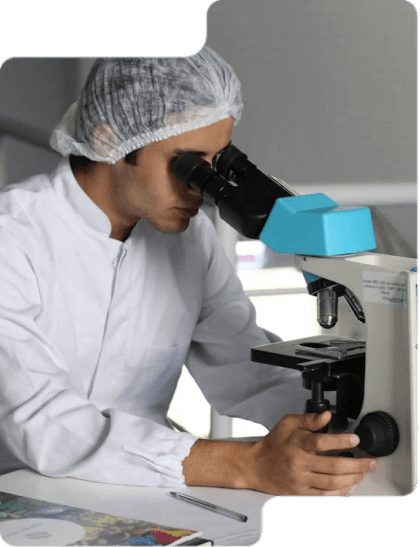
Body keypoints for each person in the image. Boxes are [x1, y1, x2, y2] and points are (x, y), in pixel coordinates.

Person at [0, 47, 376, 497]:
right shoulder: (14, 238)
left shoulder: (186, 240)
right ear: (108, 141)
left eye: (217, 164)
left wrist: (347, 418)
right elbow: (39, 421)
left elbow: (246, 368)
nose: (202, 189)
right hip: (16, 491)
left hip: (140, 490)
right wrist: (245, 465)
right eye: (187, 163)